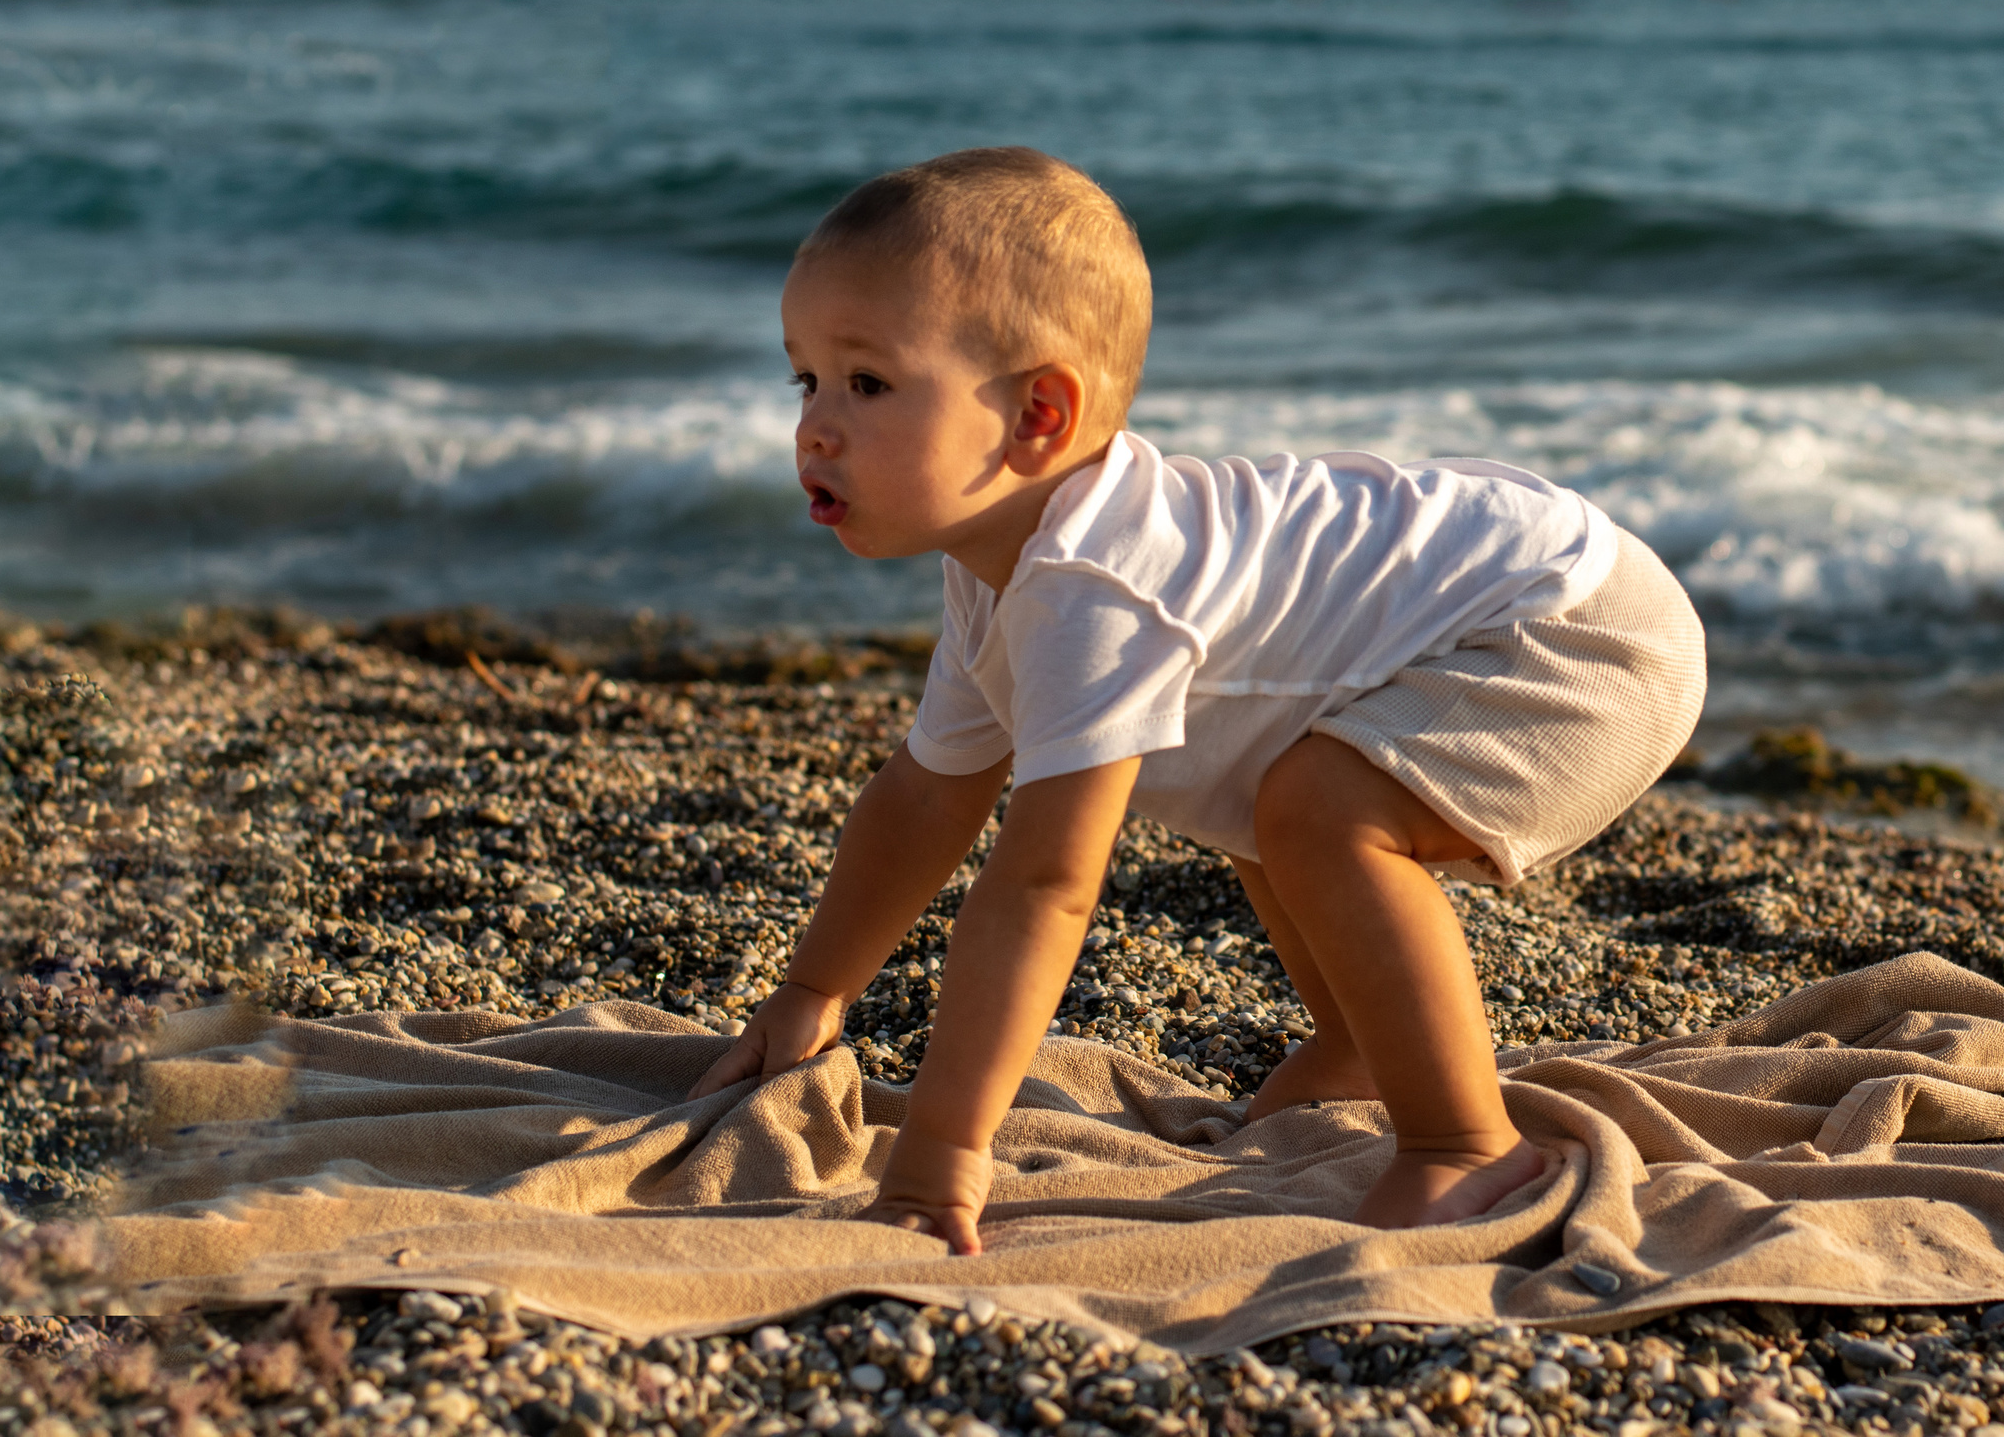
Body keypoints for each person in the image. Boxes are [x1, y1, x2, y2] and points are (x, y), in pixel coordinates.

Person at [689, 146, 1705, 1249]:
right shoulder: (999, 569)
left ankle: (1464, 1143)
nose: (815, 427)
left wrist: (937, 1160)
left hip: (1575, 629)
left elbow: (1043, 885)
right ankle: (1362, 1040)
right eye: (807, 380)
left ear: (1037, 415)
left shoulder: (1095, 588)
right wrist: (812, 990)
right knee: (1264, 780)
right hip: (1499, 600)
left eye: (867, 382)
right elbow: (926, 797)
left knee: (1316, 806)